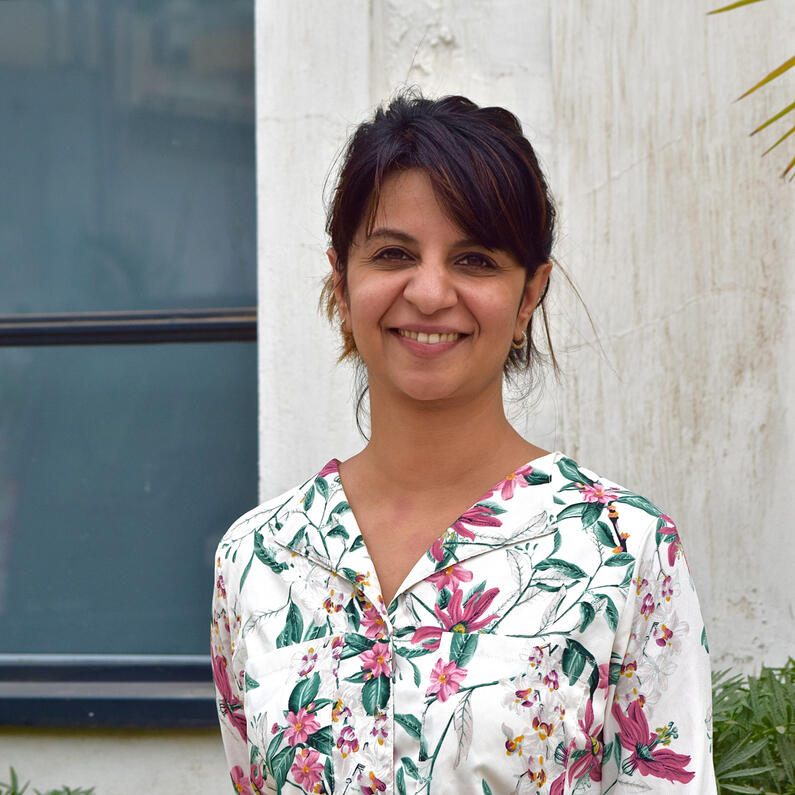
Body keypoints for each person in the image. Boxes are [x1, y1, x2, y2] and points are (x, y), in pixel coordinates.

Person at [211, 92, 716, 794]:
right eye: (393, 253)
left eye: (474, 259)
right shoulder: (258, 557)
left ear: (529, 294)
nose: (428, 292)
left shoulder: (622, 551)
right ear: (342, 281)